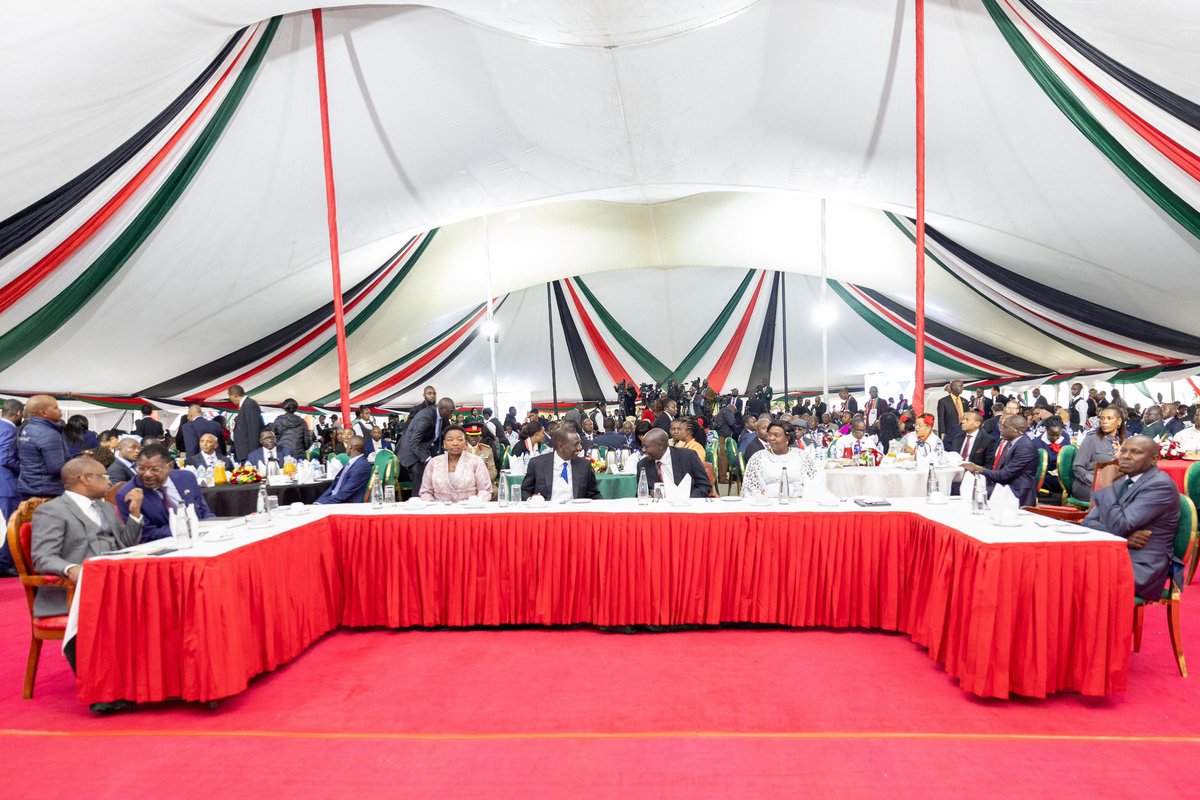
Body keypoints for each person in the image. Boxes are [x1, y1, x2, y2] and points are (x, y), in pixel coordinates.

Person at [31, 457, 144, 619]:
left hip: (117, 579)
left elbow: (126, 545)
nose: (109, 482)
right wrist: (71, 568)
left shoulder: (106, 507)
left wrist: (135, 514)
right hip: (80, 589)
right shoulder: (52, 511)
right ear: (85, 479)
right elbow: (43, 557)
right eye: (104, 477)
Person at [1081, 435, 1181, 600]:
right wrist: (1125, 536)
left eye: (1136, 452)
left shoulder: (1160, 485)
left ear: (1154, 459)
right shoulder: (1124, 480)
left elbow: (1120, 526)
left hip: (1141, 567)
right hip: (1115, 554)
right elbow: (1088, 522)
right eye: (1124, 451)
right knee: (1064, 567)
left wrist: (1105, 484)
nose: (1126, 456)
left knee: (1074, 574)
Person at [115, 444, 214, 542]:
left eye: (154, 469)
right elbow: (146, 534)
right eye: (141, 469)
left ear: (169, 466)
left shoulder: (186, 478)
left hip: (203, 538)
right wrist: (187, 529)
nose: (147, 474)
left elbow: (203, 511)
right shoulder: (127, 494)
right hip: (163, 547)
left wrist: (214, 527)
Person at [962, 415, 1039, 507]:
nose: (1001, 429)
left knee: (974, 490)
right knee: (972, 485)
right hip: (1007, 485)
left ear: (1016, 429)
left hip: (1018, 491)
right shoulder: (1013, 443)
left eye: (1005, 427)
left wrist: (977, 468)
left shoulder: (1025, 447)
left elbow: (1004, 475)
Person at [741, 420, 818, 498]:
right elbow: (750, 489)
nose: (771, 438)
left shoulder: (801, 456)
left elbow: (813, 483)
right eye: (769, 434)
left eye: (776, 435)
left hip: (797, 503)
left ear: (788, 438)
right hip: (766, 504)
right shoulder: (758, 457)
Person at [518, 429, 601, 501]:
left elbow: (594, 494)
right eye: (575, 444)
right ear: (561, 447)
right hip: (547, 514)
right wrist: (532, 500)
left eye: (580, 444)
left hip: (575, 514)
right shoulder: (537, 464)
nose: (580, 448)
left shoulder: (584, 465)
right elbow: (524, 491)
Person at [16, 395, 69, 501]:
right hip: (47, 491)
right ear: (43, 413)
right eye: (55, 408)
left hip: (28, 487)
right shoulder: (49, 433)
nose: (59, 410)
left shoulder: (27, 428)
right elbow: (56, 468)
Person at [419, 425, 493, 502]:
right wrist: (434, 506)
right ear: (444, 444)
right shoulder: (434, 463)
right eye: (450, 440)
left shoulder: (476, 461)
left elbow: (485, 490)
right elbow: (425, 492)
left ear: (465, 444)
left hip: (469, 509)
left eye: (460, 440)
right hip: (440, 510)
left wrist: (475, 502)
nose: (455, 443)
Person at [1071, 407, 1127, 504]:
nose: (1104, 421)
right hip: (1087, 485)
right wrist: (1096, 482)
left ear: (1119, 421)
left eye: (1109, 418)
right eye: (1102, 418)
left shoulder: (1122, 442)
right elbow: (1077, 467)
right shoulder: (1091, 439)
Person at [399, 397, 455, 491]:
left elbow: (448, 435)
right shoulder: (425, 417)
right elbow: (414, 442)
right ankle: (417, 501)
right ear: (441, 409)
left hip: (425, 448)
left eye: (453, 411)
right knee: (420, 475)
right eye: (450, 411)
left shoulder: (444, 416)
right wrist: (427, 459)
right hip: (411, 451)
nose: (451, 414)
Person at [635, 429, 712, 498]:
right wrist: (651, 493)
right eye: (642, 446)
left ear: (660, 446)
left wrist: (687, 499)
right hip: (658, 509)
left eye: (646, 447)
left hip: (687, 507)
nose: (643, 450)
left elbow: (704, 486)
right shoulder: (642, 465)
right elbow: (641, 491)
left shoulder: (687, 457)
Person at [315, 437, 372, 504]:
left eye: (347, 445)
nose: (346, 447)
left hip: (346, 504)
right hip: (334, 499)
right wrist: (318, 502)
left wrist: (323, 505)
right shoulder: (352, 462)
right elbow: (333, 488)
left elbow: (346, 492)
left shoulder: (362, 466)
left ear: (350, 447)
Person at [1031, 416, 1071, 496]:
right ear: (1046, 430)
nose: (1055, 438)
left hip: (1062, 473)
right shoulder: (1036, 444)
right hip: (1044, 475)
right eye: (1052, 435)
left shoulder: (1065, 440)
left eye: (1057, 435)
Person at [0, 398, 23, 523]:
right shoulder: (10, 430)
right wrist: (24, 468)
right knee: (12, 526)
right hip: (7, 485)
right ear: (19, 413)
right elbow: (6, 459)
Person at [229, 385, 263, 463]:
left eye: (230, 398)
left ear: (234, 396)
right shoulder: (246, 405)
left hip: (250, 454)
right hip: (245, 453)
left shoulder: (249, 405)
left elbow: (254, 430)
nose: (231, 401)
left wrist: (254, 455)